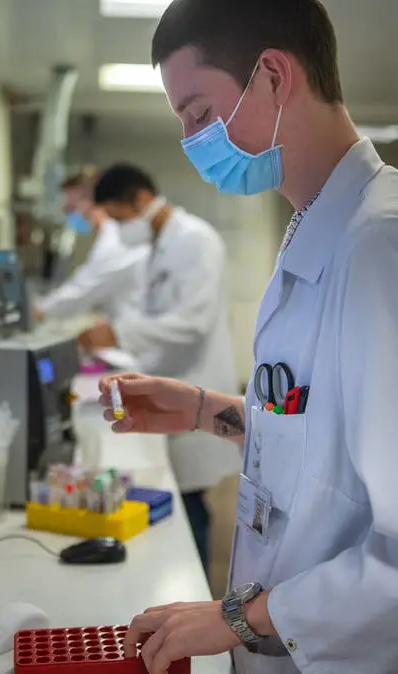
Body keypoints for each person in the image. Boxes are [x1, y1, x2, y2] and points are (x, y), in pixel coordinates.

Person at [96, 1, 398, 673]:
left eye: (200, 115)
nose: (193, 141)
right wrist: (203, 409)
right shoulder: (321, 229)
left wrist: (239, 618)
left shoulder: (384, 242)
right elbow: (329, 449)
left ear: (272, 76)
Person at [77, 163, 240, 569]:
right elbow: (155, 316)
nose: (119, 229)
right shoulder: (158, 245)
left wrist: (119, 334)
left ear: (141, 199)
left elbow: (192, 322)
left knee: (189, 505)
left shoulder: (196, 240)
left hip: (194, 384)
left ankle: (195, 588)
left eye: (119, 219)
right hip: (169, 385)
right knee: (179, 501)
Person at [33, 168, 148, 323]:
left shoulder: (116, 240)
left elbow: (80, 291)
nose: (67, 213)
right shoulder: (113, 235)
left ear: (91, 201)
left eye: (71, 207)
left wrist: (38, 311)